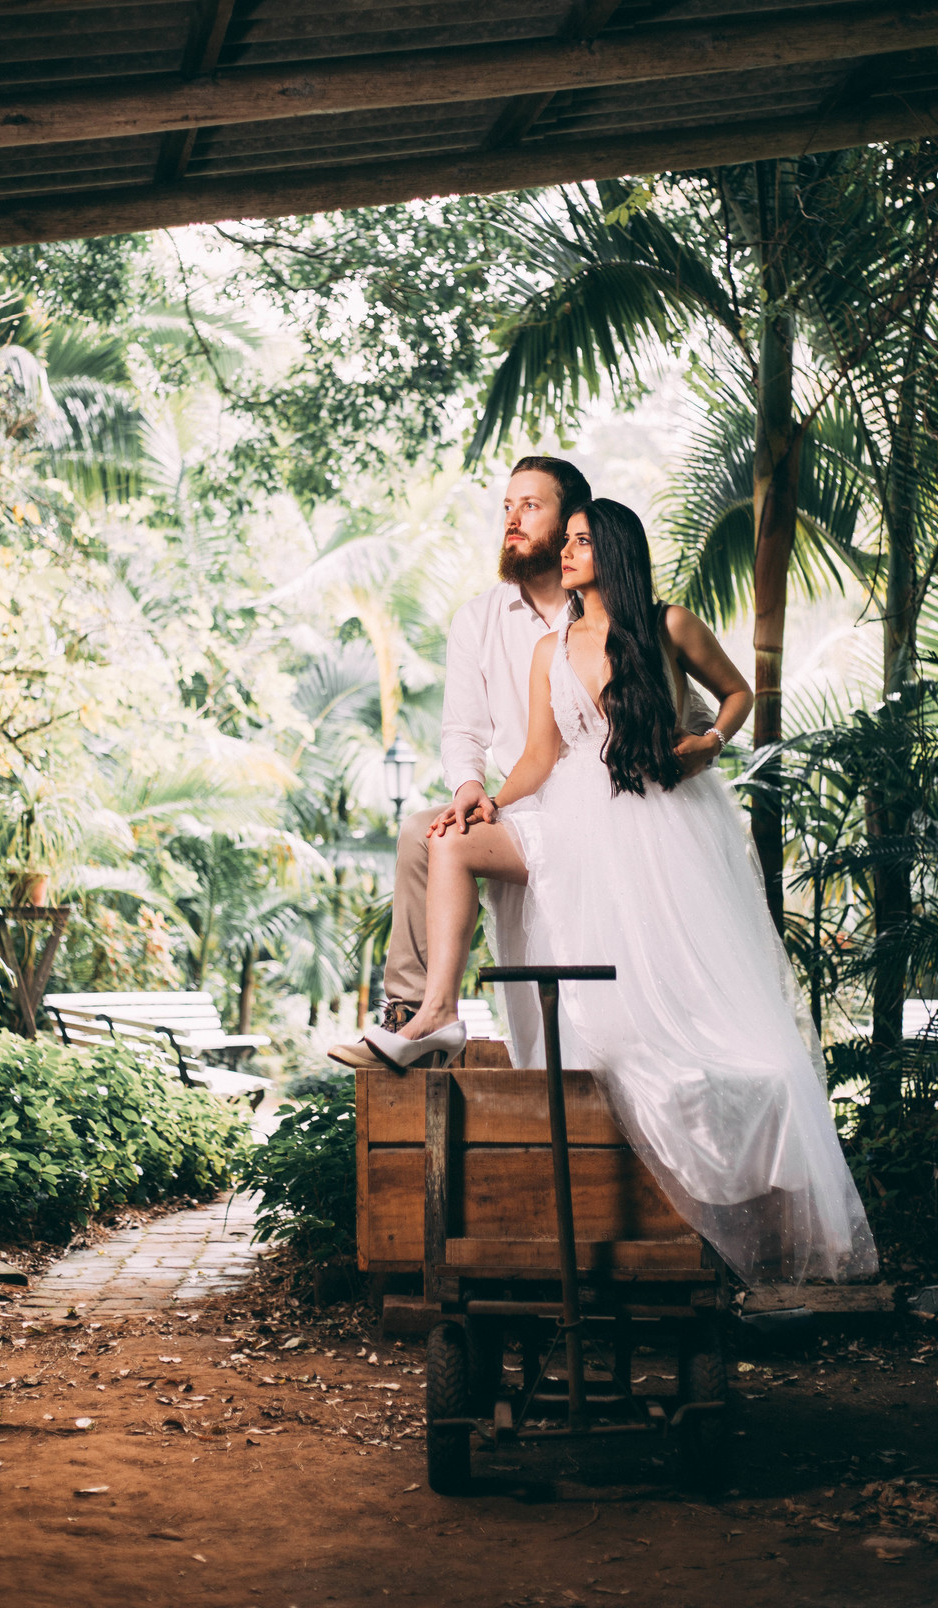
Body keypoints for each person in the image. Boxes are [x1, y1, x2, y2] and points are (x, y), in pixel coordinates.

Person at [360, 497, 877, 1285]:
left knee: (660, 1000)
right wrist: (488, 799)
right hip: (567, 820)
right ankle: (437, 1013)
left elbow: (738, 693)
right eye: (565, 540)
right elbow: (540, 757)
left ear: (614, 550)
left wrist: (710, 742)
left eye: (580, 541)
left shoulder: (670, 625)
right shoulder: (551, 647)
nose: (566, 552)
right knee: (451, 841)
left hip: (655, 814)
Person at [329, 452, 598, 1068]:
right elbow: (462, 730)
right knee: (422, 830)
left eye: (530, 506)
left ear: (572, 521)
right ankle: (412, 1019)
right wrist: (469, 787)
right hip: (515, 804)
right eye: (507, 507)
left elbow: (688, 717)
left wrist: (696, 750)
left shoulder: (610, 610)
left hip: (600, 810)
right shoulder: (478, 618)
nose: (512, 519)